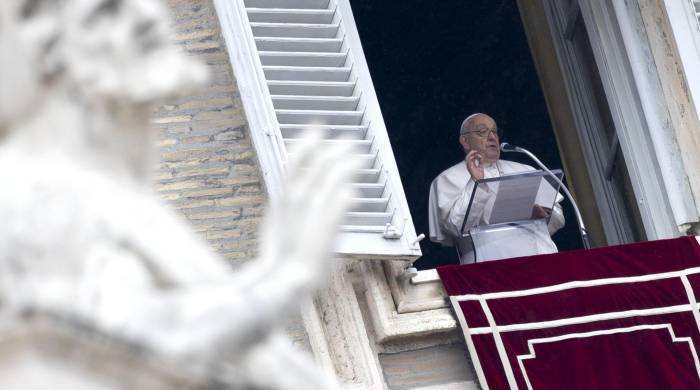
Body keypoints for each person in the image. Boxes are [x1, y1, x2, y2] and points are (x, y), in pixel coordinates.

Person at [428, 113, 564, 264]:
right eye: (482, 131)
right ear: (465, 141)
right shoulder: (447, 178)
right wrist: (476, 182)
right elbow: (455, 227)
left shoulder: (526, 170)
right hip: (490, 266)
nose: (492, 137)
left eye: (494, 131)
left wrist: (544, 215)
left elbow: (558, 216)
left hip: (541, 260)